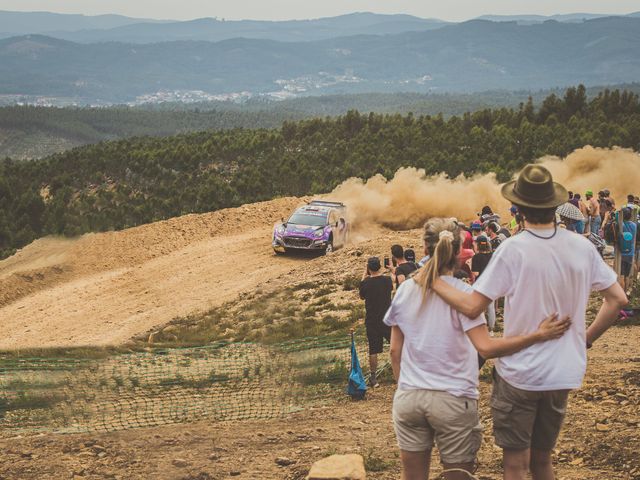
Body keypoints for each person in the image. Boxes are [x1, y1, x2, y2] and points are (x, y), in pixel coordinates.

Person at [432, 164, 628, 480]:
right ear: (555, 206)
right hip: (562, 373)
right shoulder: (581, 247)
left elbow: (472, 307)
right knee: (542, 462)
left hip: (520, 375)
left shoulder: (513, 249)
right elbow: (618, 299)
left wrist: (434, 281)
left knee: (515, 466)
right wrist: (584, 338)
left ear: (519, 208)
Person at [384, 217, 570, 480]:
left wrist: (404, 385)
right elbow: (486, 348)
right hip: (453, 398)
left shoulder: (404, 290)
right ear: (459, 252)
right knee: (458, 474)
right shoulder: (465, 296)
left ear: (425, 249)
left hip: (409, 397)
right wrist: (538, 335)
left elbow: (394, 351)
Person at [359, 256, 393, 387]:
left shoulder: (366, 283)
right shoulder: (386, 280)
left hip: (372, 320)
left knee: (373, 350)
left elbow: (361, 296)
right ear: (379, 266)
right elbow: (391, 288)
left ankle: (373, 378)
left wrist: (363, 275)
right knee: (395, 346)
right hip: (387, 319)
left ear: (368, 268)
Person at [471, 235, 496, 331]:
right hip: (492, 283)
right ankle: (492, 329)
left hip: (481, 285)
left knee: (480, 308)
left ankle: (483, 329)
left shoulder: (476, 257)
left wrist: (470, 267)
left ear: (478, 245)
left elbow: (475, 273)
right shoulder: (493, 255)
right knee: (491, 308)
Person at [620, 207, 637, 294]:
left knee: (621, 276)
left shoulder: (620, 225)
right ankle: (625, 293)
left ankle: (621, 294)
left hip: (622, 253)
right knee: (627, 276)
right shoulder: (634, 225)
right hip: (630, 253)